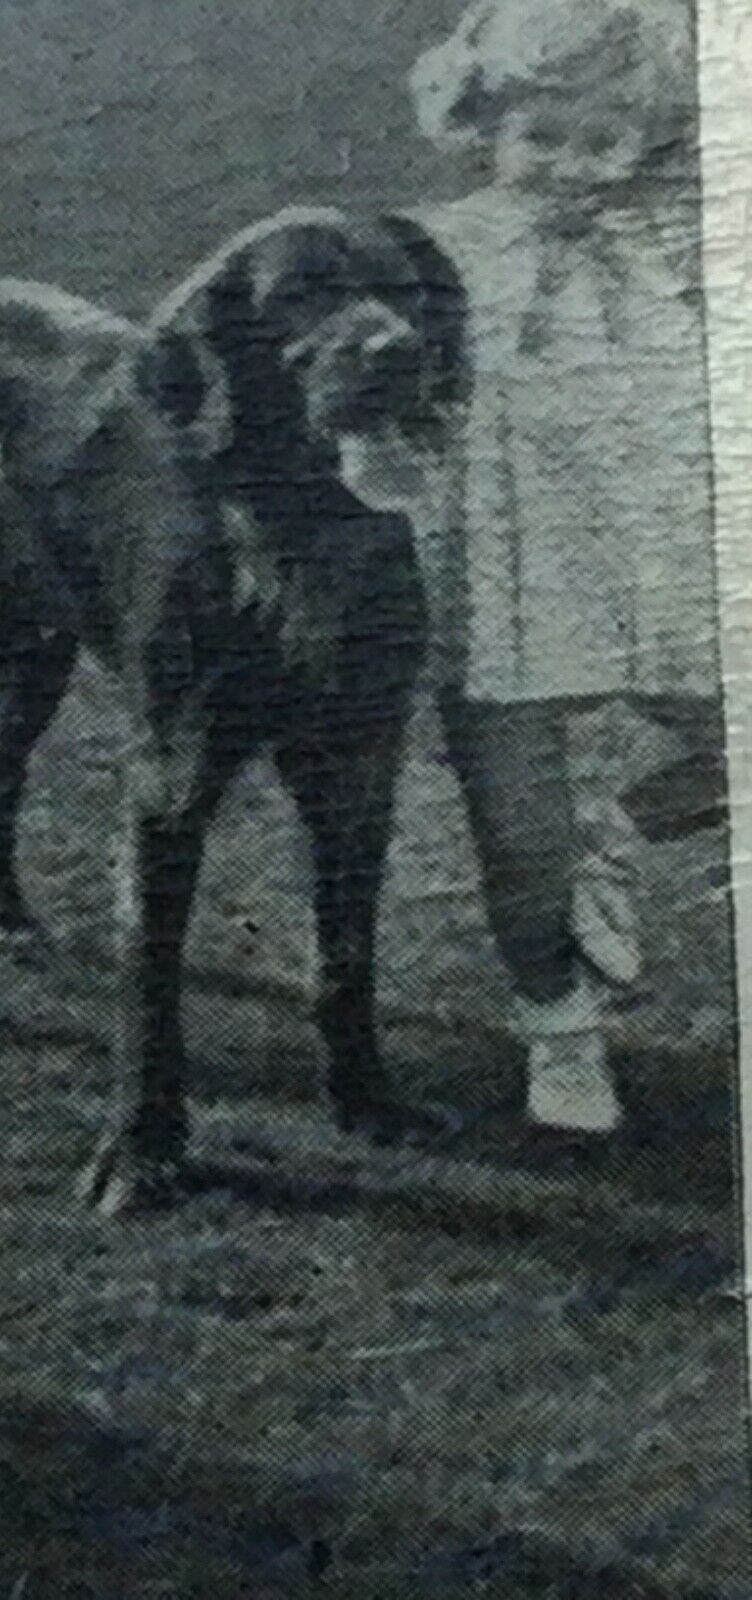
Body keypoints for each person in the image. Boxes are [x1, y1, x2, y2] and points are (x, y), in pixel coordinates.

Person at [405, 0, 726, 1135]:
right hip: (498, 564)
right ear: (486, 126)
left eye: (603, 141)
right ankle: (561, 1028)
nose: (572, 168)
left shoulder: (681, 240)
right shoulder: (435, 248)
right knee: (521, 823)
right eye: (542, 138)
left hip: (654, 547)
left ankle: (624, 822)